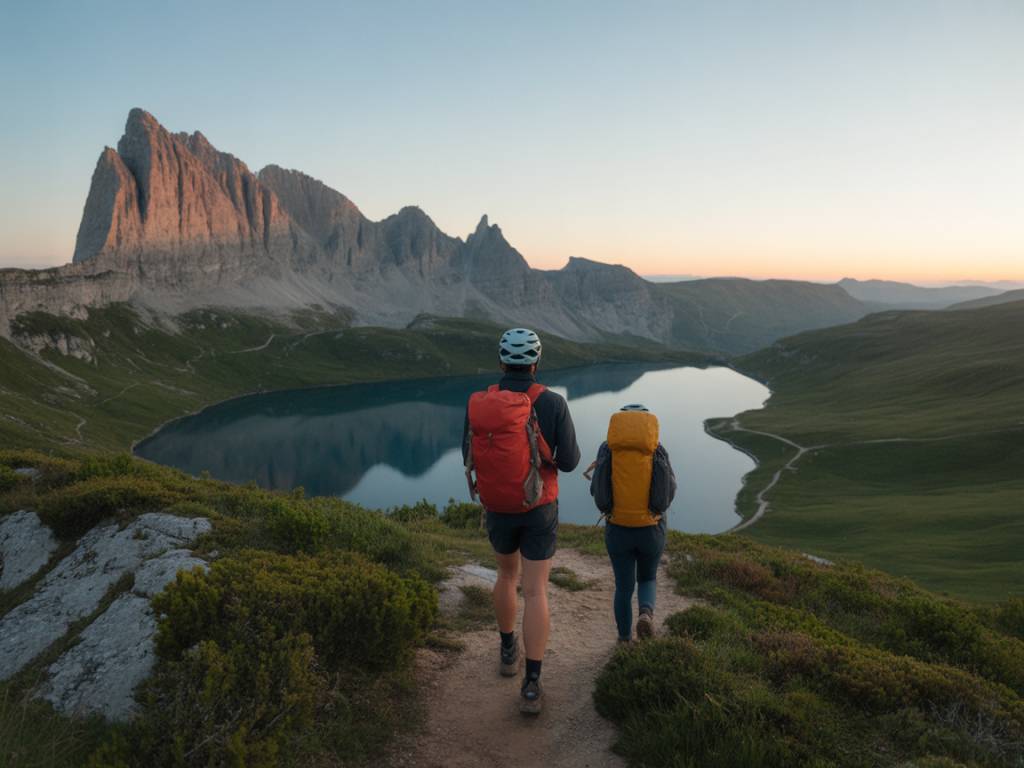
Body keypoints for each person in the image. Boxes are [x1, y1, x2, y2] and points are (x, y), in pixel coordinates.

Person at [463, 328, 580, 714]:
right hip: (540, 506)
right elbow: (569, 461)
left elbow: (468, 452)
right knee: (535, 591)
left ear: (501, 362)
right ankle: (532, 684)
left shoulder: (481, 403)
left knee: (505, 577)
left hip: (498, 506)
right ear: (536, 362)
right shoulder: (553, 403)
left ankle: (507, 649)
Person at [586, 404, 676, 642]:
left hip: (618, 529)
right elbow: (669, 492)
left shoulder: (607, 449)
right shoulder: (657, 449)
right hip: (651, 530)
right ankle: (646, 613)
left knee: (624, 588)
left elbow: (597, 490)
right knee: (647, 578)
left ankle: (624, 639)